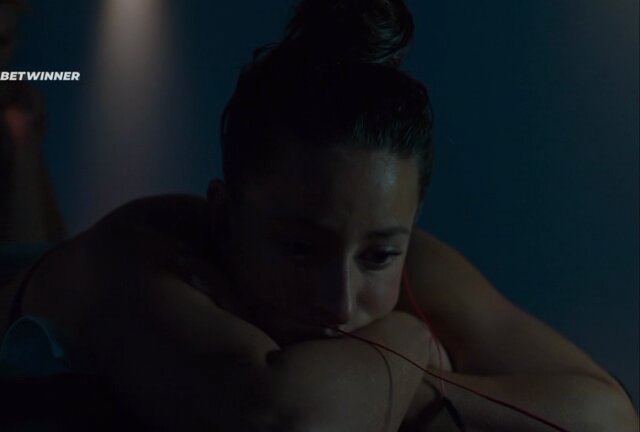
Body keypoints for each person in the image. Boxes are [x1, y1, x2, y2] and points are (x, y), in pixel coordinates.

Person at [0, 0, 637, 430]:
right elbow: (289, 418)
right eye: (301, 249)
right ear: (224, 216)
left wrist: (411, 385)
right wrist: (411, 344)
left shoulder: (406, 260)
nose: (340, 302)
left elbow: (608, 415)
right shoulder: (136, 259)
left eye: (380, 254)